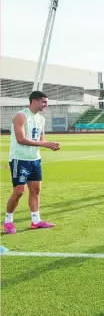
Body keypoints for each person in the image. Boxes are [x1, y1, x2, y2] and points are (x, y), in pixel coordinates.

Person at [4, 91, 60, 234]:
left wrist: (50, 144)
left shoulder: (41, 119)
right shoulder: (21, 116)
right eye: (44, 102)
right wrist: (44, 145)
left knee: (35, 190)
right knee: (19, 192)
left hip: (35, 159)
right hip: (20, 158)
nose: (46, 105)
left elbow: (42, 139)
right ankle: (8, 220)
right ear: (34, 101)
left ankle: (36, 220)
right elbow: (20, 139)